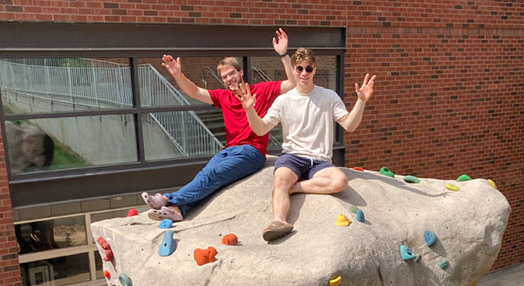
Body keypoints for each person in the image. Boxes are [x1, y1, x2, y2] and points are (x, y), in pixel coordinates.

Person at [141, 29, 296, 222]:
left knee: (212, 173)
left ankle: (166, 198)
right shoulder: (224, 97)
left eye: (232, 73)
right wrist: (178, 75)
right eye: (225, 77)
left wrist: (283, 54)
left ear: (240, 73)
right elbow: (195, 91)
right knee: (205, 176)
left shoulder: (261, 90)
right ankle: (178, 210)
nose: (229, 79)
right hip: (227, 151)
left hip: (251, 152)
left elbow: (292, 83)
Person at [237, 47, 376, 241]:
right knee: (280, 180)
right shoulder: (283, 100)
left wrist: (361, 102)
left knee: (340, 181)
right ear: (293, 70)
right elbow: (260, 129)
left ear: (315, 70)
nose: (304, 73)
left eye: (308, 69)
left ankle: (294, 188)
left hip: (320, 161)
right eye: (299, 68)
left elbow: (349, 125)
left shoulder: (329, 96)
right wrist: (250, 110)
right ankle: (279, 221)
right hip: (292, 157)